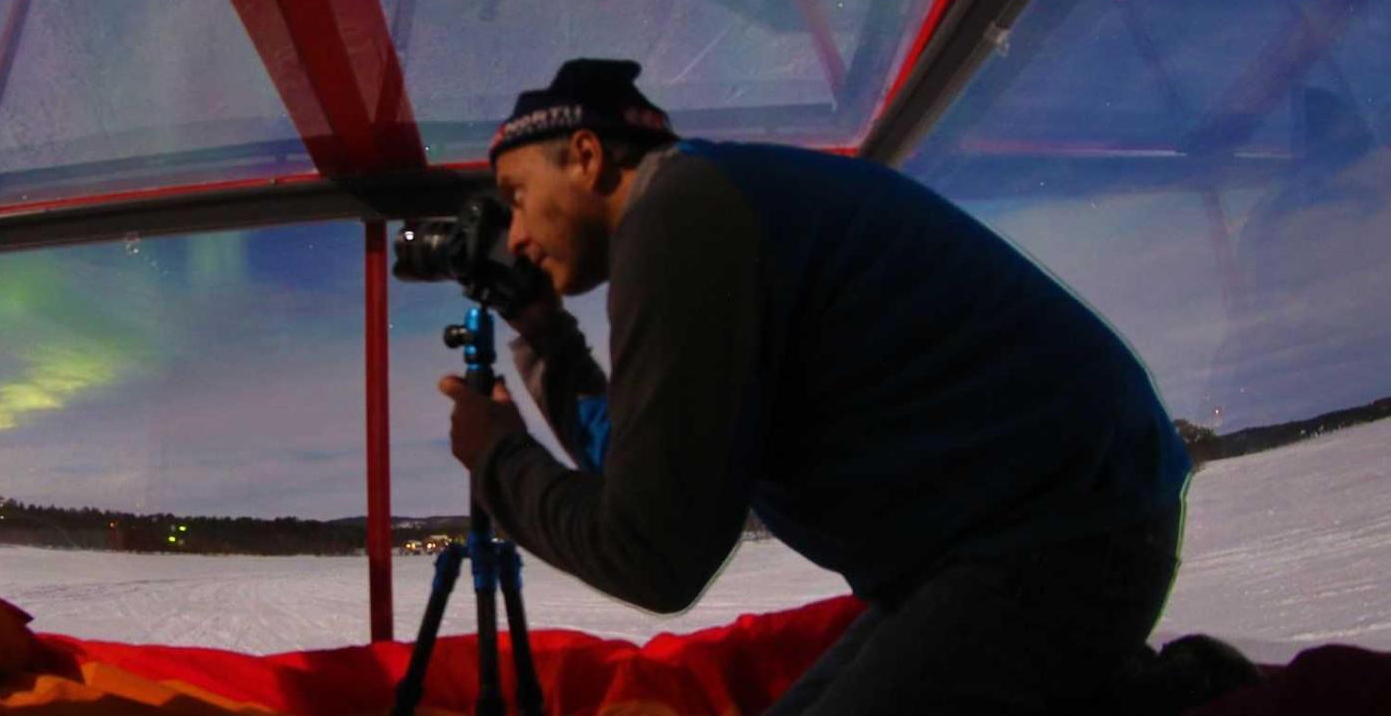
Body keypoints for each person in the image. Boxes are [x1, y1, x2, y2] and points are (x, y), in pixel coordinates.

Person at [438, 59, 1194, 714]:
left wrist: (500, 460)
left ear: (587, 155)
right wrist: (544, 337)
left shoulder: (675, 215)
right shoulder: (714, 201)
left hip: (1057, 540)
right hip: (1021, 537)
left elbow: (654, 553)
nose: (518, 236)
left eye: (516, 194)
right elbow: (645, 466)